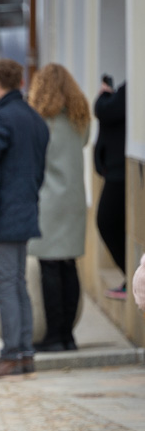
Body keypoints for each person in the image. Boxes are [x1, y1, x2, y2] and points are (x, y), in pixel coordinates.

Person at [0, 59, 49, 380]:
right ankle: (25, 353)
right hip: (27, 208)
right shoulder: (34, 118)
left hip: (3, 213)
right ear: (20, 82)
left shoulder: (3, 119)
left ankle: (12, 354)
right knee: (18, 283)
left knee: (6, 285)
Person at [27, 63, 91, 352]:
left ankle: (54, 336)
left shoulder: (40, 122)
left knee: (49, 267)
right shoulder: (79, 119)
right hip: (75, 201)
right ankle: (69, 336)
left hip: (48, 203)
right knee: (69, 265)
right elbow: (86, 142)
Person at [94, 80, 127, 299]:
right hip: (117, 170)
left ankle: (133, 277)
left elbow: (105, 110)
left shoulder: (132, 86)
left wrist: (103, 97)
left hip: (120, 172)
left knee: (106, 220)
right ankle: (132, 277)